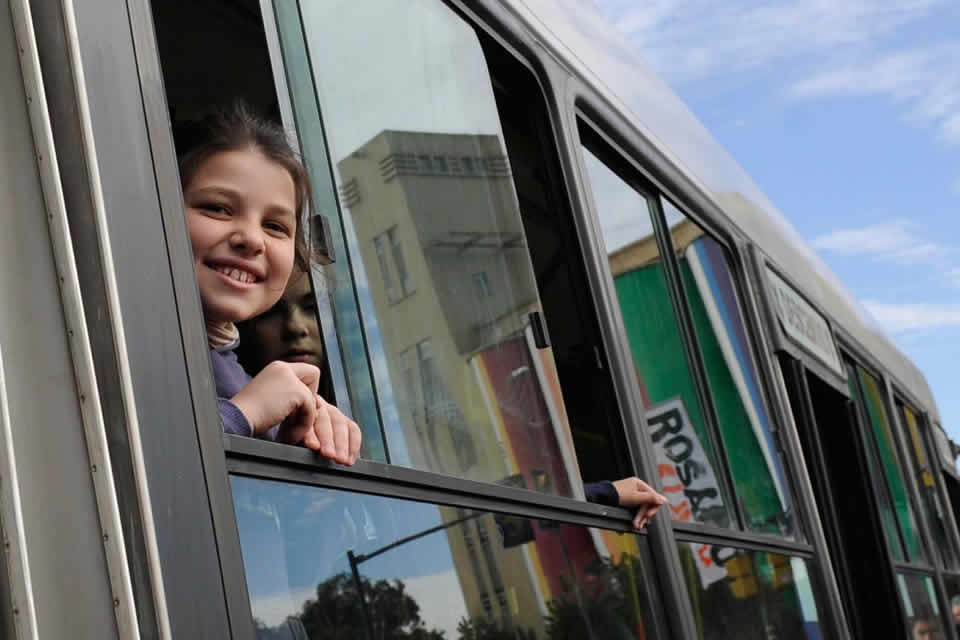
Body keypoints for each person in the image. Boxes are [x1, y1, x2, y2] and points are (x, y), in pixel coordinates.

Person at [237, 270, 666, 529]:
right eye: (274, 311)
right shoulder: (233, 409)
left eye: (313, 308)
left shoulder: (368, 417)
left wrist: (601, 495)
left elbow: (459, 510)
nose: (296, 327)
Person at [178, 103, 360, 466]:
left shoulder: (245, 379)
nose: (251, 239)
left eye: (275, 226)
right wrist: (243, 415)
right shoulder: (128, 348)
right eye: (217, 208)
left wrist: (295, 449)